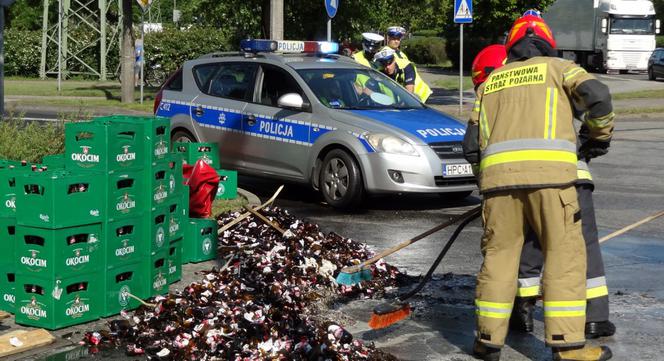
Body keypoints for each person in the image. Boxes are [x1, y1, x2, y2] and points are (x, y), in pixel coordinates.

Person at [463, 13, 615, 361]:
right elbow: (599, 97)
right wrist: (596, 138)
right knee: (565, 258)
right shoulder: (560, 69)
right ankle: (567, 348)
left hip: (499, 189)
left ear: (511, 46)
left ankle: (487, 341)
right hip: (554, 183)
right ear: (548, 42)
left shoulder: (492, 82)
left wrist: (487, 184)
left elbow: (471, 145)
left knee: (499, 259)